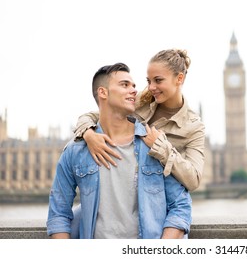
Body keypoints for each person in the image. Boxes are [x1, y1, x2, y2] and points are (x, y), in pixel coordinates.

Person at [46, 63, 192, 239]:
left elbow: (181, 206)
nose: (133, 91)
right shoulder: (75, 151)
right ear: (103, 92)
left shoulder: (154, 144)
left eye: (133, 86)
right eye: (125, 85)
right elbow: (59, 214)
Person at [73, 49, 205, 191]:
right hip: (118, 186)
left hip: (155, 197)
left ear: (179, 79)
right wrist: (89, 135)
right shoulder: (141, 100)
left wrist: (160, 146)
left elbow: (194, 180)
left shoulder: (194, 126)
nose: (151, 87)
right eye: (149, 81)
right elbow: (91, 116)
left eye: (158, 80)